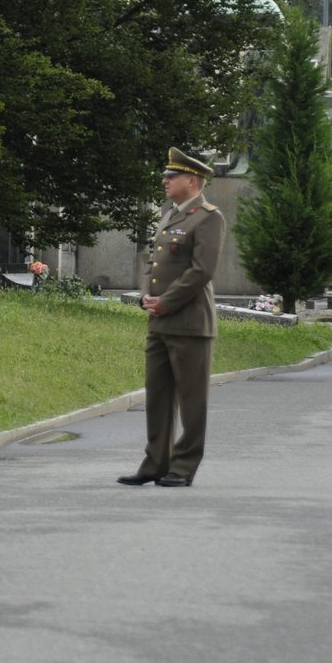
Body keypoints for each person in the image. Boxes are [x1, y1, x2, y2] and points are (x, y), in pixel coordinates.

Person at [119, 148, 226, 487]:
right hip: (160, 320)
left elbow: (201, 271)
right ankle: (155, 463)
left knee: (192, 400)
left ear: (191, 180)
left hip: (191, 322)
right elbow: (154, 263)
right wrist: (146, 298)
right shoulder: (170, 215)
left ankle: (182, 466)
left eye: (171, 176)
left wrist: (166, 301)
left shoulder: (209, 217)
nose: (164, 181)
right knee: (158, 396)